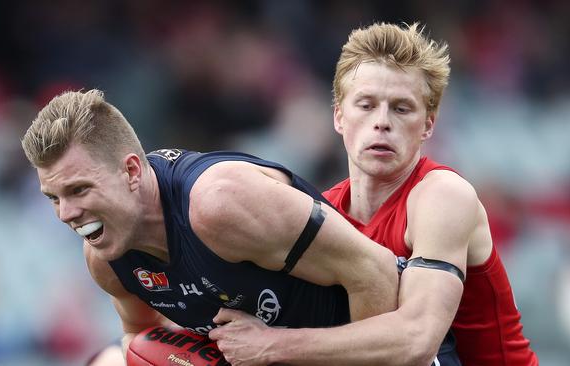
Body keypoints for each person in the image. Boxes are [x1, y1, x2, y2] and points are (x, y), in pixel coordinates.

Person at [208, 22, 539, 366]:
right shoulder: (322, 210)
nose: (382, 122)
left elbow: (417, 341)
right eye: (366, 105)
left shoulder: (444, 196)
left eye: (401, 108)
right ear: (339, 116)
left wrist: (271, 345)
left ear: (428, 124)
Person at [20, 89, 401, 363]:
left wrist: (277, 347)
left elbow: (377, 273)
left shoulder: (219, 204)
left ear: (132, 171)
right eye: (53, 197)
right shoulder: (106, 260)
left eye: (79, 190)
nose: (66, 214)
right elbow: (141, 340)